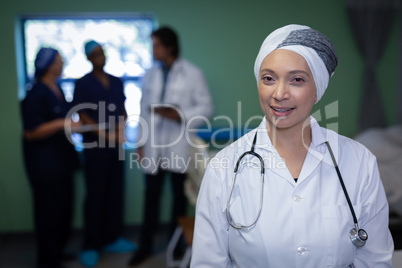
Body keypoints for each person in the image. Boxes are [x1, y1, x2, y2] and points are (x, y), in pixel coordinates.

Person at [191, 24, 394, 267]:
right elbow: (207, 262)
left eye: (297, 80)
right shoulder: (223, 169)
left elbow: (375, 260)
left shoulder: (359, 162)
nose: (279, 93)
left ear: (317, 88)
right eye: (269, 78)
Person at [128, 26, 213, 266]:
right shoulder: (150, 74)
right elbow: (143, 110)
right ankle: (145, 247)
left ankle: (176, 248)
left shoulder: (193, 73)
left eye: (156, 45)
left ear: (170, 47)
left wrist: (180, 114)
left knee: (178, 198)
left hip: (178, 145)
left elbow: (207, 107)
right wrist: (140, 143)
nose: (153, 50)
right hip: (153, 145)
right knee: (151, 198)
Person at [73, 40, 135, 267]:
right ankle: (91, 244)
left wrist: (121, 128)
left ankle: (112, 237)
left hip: (115, 148)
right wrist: (108, 136)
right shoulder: (83, 84)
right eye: (96, 54)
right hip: (95, 148)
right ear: (89, 58)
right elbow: (83, 116)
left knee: (115, 192)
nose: (101, 57)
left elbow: (122, 109)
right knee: (96, 195)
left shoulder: (116, 82)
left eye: (103, 53)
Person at [21, 47, 81, 268]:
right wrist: (61, 124)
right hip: (45, 166)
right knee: (48, 213)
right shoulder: (36, 94)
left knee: (63, 211)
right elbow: (31, 132)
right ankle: (47, 260)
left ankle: (58, 251)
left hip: (62, 163)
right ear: (47, 65)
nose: (62, 64)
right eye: (59, 60)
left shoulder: (56, 90)